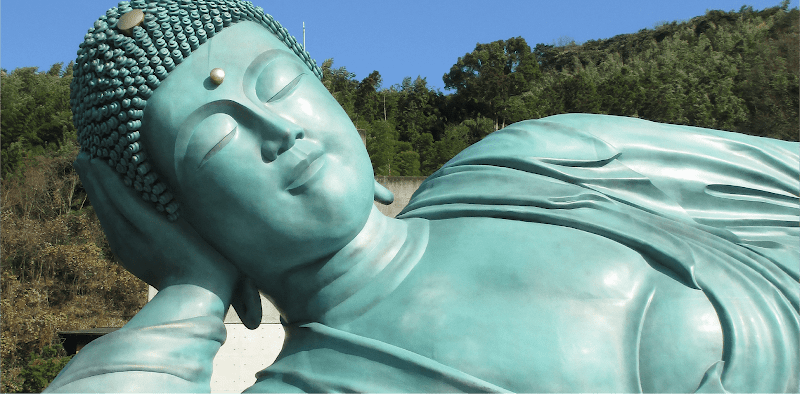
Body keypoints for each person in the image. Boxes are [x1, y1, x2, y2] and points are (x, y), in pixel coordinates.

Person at [46, 0, 799, 392]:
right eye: (216, 141)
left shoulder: (534, 166)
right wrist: (185, 294)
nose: (278, 129)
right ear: (167, 216)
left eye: (278, 83)